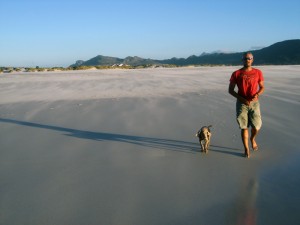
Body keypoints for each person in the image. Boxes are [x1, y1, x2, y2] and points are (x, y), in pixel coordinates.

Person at [228, 52, 265, 158]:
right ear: (242, 60)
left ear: (252, 60)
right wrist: (242, 99)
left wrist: (257, 94)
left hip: (254, 103)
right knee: (244, 127)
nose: (247, 60)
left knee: (256, 127)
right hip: (241, 103)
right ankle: (246, 148)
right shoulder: (236, 73)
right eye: (245, 58)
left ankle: (252, 139)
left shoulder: (258, 72)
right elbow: (230, 90)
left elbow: (262, 87)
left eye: (249, 58)